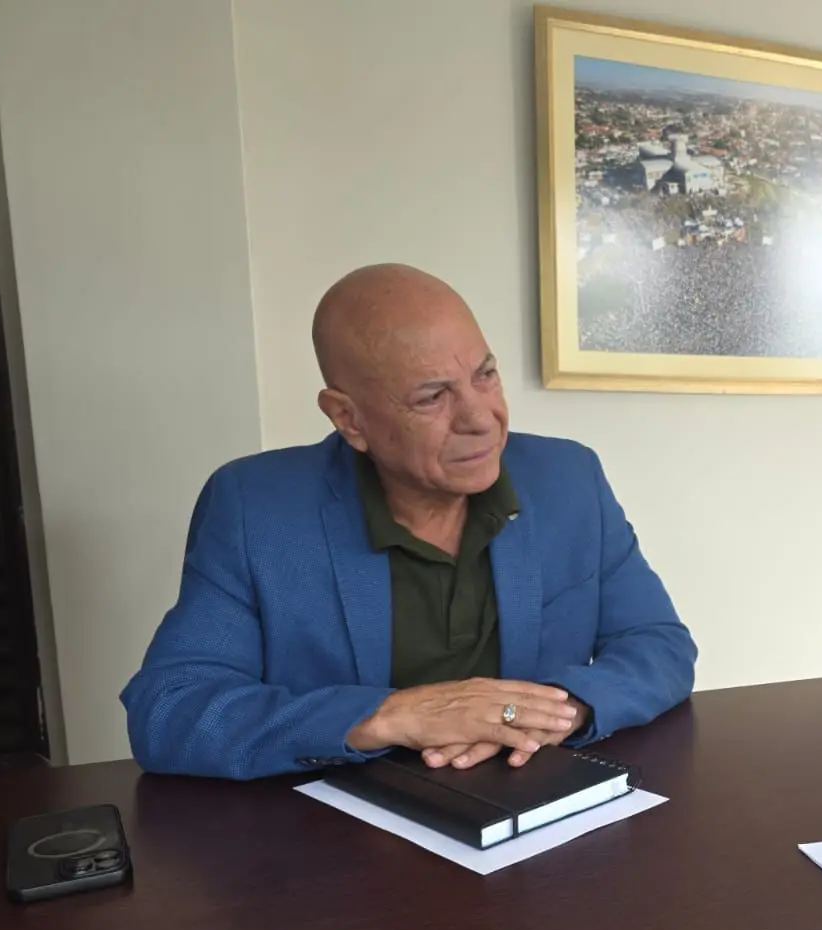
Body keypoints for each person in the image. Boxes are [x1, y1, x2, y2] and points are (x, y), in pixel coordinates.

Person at [123, 264, 695, 780]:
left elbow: (659, 646)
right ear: (349, 418)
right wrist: (390, 716)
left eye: (485, 375)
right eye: (432, 397)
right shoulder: (256, 507)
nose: (481, 418)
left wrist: (545, 712)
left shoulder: (567, 478)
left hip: (529, 809)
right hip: (337, 837)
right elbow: (171, 711)